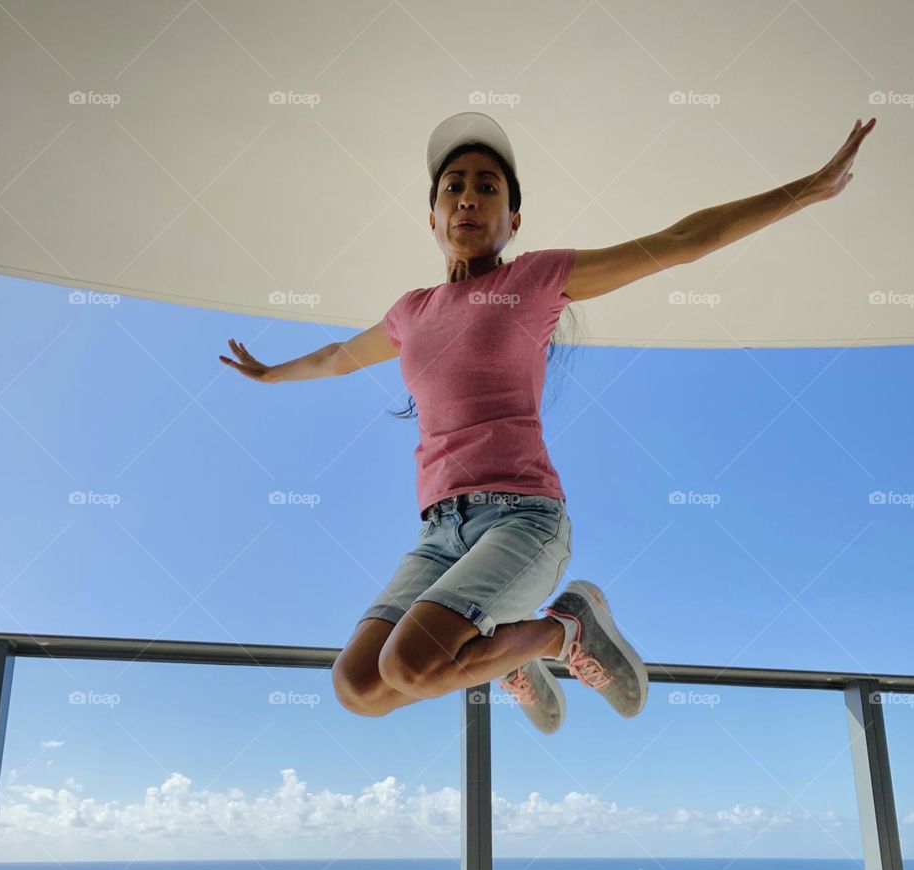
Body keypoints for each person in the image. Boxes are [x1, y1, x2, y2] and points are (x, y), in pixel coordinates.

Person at [221, 111, 876, 734]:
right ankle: (510, 652)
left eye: (487, 187)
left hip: (522, 520)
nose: (469, 198)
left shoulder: (538, 279)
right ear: (433, 217)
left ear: (513, 219)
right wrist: (271, 373)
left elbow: (681, 242)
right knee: (358, 687)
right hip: (439, 533)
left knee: (408, 665)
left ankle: (566, 630)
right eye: (454, 187)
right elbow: (339, 355)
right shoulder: (410, 312)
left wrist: (810, 189)